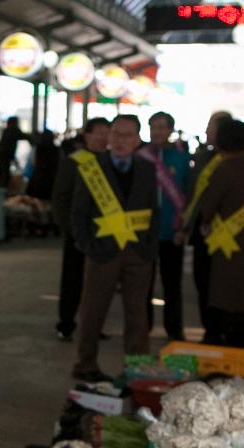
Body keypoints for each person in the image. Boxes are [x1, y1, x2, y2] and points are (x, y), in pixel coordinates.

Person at [70, 114, 158, 382]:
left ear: (138, 139)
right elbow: (79, 211)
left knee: (137, 314)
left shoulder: (147, 168)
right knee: (93, 311)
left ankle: (136, 367)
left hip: (137, 253)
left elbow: (154, 210)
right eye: (116, 134)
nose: (121, 141)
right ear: (109, 137)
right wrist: (87, 245)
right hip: (102, 252)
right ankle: (86, 364)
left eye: (128, 135)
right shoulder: (92, 167)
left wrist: (149, 249)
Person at [196, 118, 244, 348]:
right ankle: (243, 336)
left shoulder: (223, 168)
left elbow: (208, 206)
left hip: (224, 239)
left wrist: (205, 221)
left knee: (222, 291)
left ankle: (222, 338)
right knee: (243, 290)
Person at [52, 117, 109, 341]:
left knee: (99, 282)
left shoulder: (111, 161)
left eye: (107, 133)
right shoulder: (74, 162)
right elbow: (60, 198)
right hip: (77, 233)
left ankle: (94, 325)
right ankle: (66, 324)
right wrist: (71, 229)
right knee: (73, 281)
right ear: (87, 135)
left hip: (103, 232)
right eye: (99, 133)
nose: (103, 138)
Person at [180, 110, 232, 342]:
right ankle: (209, 328)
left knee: (220, 282)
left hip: (227, 233)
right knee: (202, 281)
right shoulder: (202, 158)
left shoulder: (238, 161)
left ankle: (221, 328)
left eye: (211, 127)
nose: (207, 132)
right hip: (202, 231)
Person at [142, 111, 190, 341]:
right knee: (143, 284)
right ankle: (144, 326)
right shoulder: (141, 156)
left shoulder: (181, 158)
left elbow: (188, 194)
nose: (157, 132)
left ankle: (174, 329)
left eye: (162, 127)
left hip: (173, 232)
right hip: (145, 233)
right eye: (153, 127)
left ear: (171, 130)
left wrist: (183, 228)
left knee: (172, 285)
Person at [25, 130, 60, 201]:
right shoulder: (57, 150)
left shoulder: (37, 149)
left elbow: (32, 163)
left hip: (38, 181)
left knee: (37, 203)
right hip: (52, 182)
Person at [0, 116, 28, 188]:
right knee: (5, 173)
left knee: (2, 173)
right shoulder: (13, 129)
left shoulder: (7, 130)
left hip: (0, 153)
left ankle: (2, 189)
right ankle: (3, 190)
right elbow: (24, 136)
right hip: (4, 154)